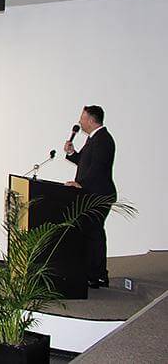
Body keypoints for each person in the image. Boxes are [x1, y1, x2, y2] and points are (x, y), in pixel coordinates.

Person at [64, 105, 117, 289]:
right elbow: (85, 163)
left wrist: (81, 184)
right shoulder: (94, 139)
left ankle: (96, 275)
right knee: (92, 233)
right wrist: (72, 153)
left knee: (94, 233)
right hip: (92, 193)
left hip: (99, 194)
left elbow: (98, 168)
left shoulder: (103, 139)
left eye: (82, 118)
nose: (79, 122)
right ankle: (96, 274)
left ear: (91, 120)